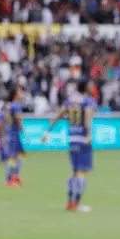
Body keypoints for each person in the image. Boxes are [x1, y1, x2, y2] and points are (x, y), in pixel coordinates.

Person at [43, 82, 97, 212]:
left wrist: (48, 131)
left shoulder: (70, 100)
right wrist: (89, 134)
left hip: (72, 139)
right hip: (83, 139)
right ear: (86, 87)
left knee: (74, 171)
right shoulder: (88, 101)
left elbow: (59, 115)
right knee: (82, 172)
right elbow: (88, 117)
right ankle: (76, 203)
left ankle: (70, 201)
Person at [0, 88, 25, 186]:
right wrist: (3, 137)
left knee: (8, 157)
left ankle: (12, 177)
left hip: (8, 135)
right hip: (8, 136)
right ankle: (10, 179)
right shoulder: (14, 107)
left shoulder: (8, 109)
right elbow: (2, 125)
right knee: (11, 158)